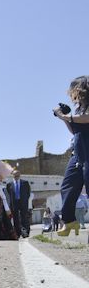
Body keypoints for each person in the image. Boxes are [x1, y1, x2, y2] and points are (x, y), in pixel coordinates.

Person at [54, 76, 89, 236]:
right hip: (78, 153)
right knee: (67, 186)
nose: (71, 94)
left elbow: (86, 119)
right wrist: (64, 117)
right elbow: (75, 130)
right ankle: (69, 221)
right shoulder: (79, 109)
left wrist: (65, 116)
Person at [6, 170, 31, 238]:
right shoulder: (9, 185)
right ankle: (17, 233)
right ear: (12, 175)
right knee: (15, 218)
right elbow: (9, 194)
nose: (16, 177)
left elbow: (28, 193)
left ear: (20, 175)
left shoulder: (25, 183)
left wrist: (25, 200)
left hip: (23, 202)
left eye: (18, 175)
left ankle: (25, 232)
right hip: (14, 203)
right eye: (15, 175)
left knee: (24, 217)